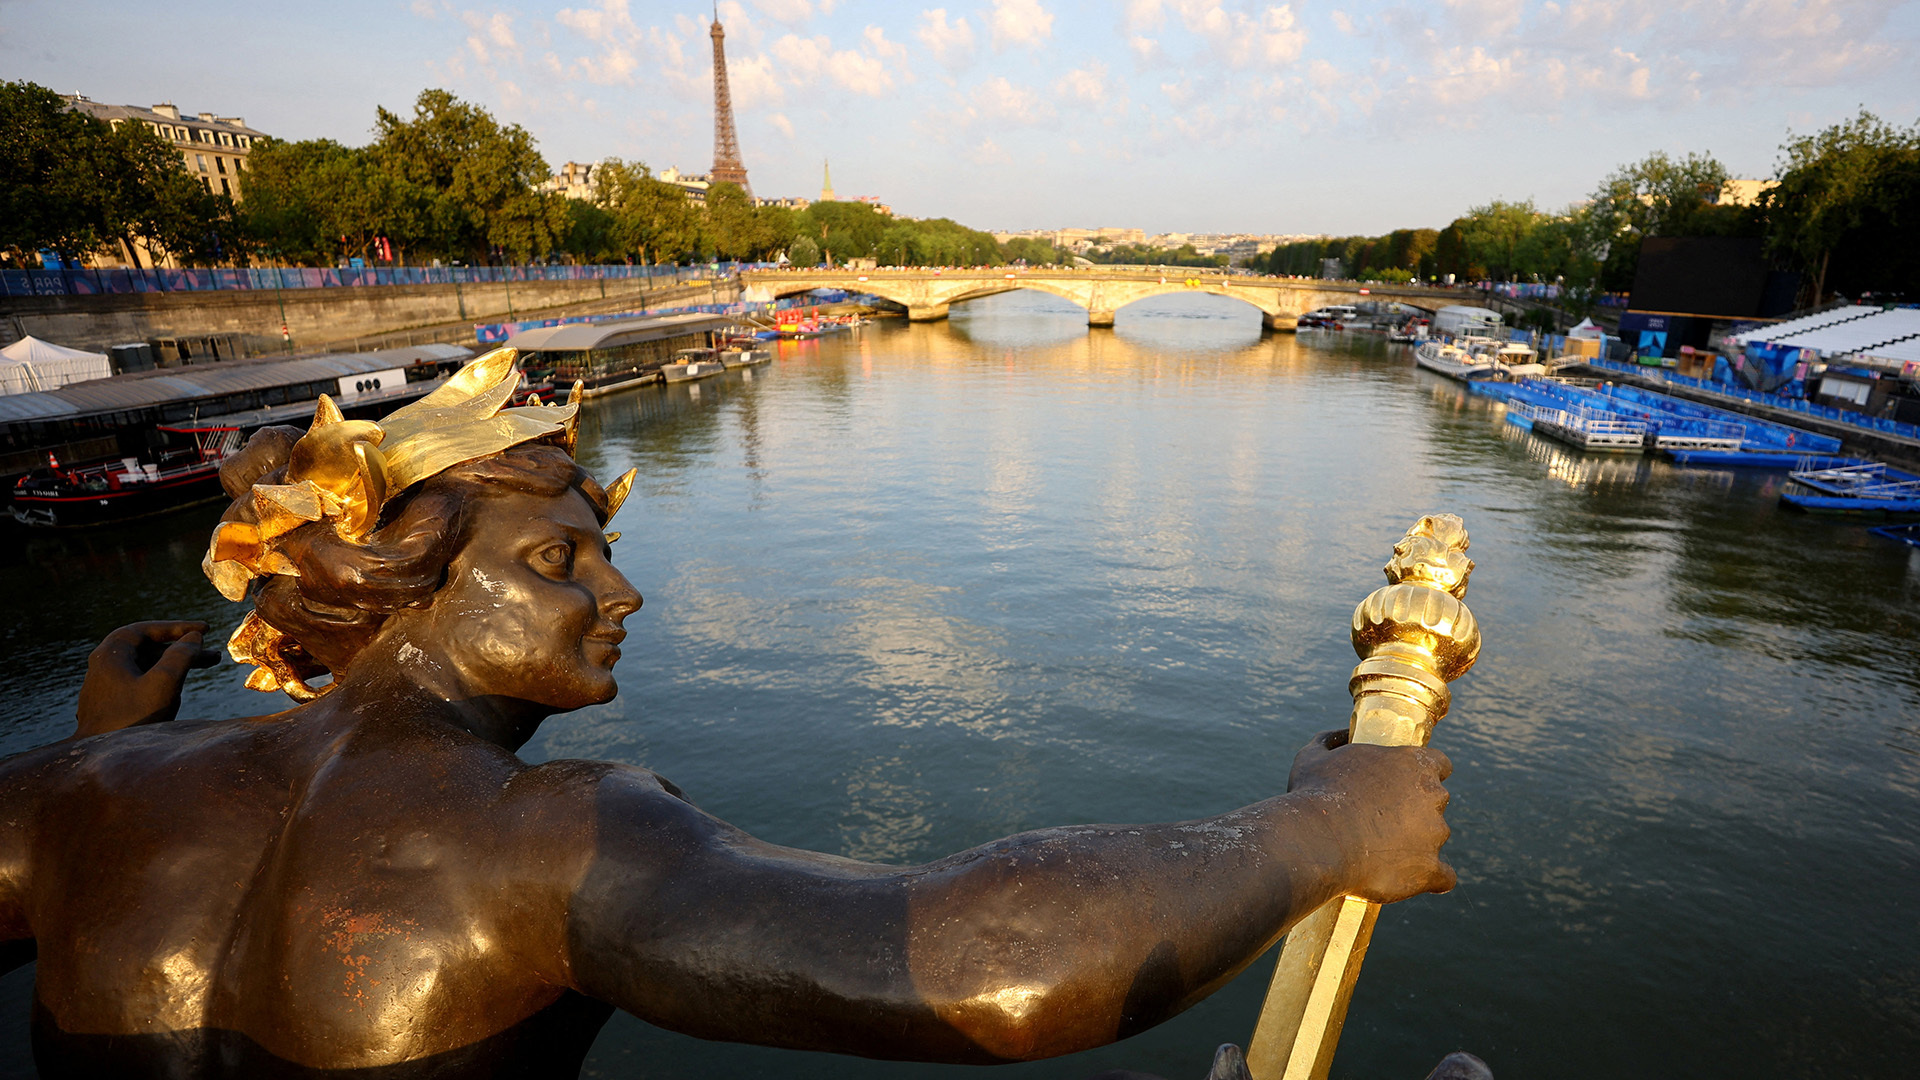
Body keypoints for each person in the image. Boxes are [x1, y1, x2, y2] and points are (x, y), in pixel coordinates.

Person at [0, 353, 1453, 1078]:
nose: (621, 593)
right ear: (405, 589)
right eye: (563, 558)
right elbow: (987, 963)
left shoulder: (96, 791)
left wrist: (105, 740)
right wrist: (1322, 825)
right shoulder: (547, 839)